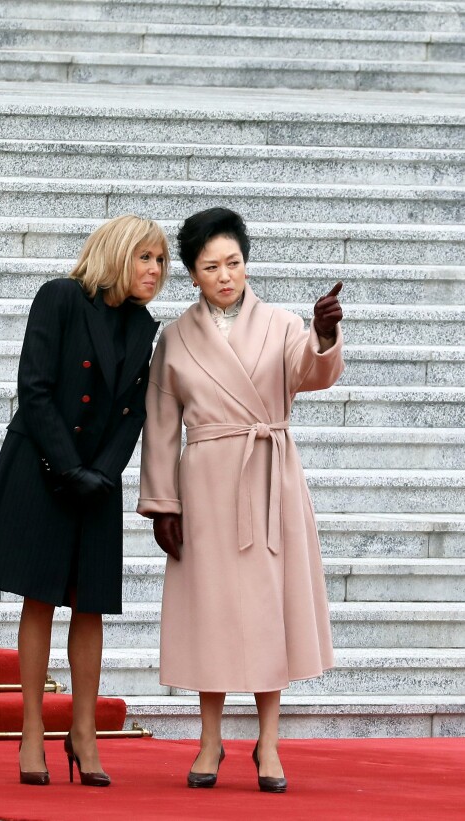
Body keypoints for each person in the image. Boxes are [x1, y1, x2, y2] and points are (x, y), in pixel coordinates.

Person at [137, 207, 344, 792]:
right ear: (193, 273)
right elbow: (160, 423)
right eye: (211, 266)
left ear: (246, 263)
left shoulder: (281, 324)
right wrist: (162, 503)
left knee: (265, 610)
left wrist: (323, 332)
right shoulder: (174, 337)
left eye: (233, 262)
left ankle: (269, 743)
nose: (225, 275)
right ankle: (209, 741)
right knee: (211, 611)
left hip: (268, 479)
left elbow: (310, 372)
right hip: (204, 486)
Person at [0, 215, 169, 787]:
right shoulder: (60, 297)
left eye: (160, 261)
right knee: (41, 598)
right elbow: (33, 387)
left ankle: (83, 732)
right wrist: (68, 466)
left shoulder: (142, 325)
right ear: (117, 253)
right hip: (44, 467)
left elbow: (133, 413)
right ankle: (32, 729)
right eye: (145, 257)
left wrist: (102, 473)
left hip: (97, 479)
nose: (155, 270)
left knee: (90, 604)